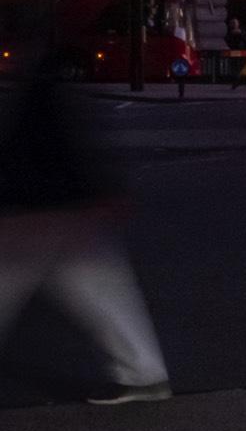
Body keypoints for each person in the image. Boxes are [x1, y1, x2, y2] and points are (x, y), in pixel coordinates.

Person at [0, 33, 173, 404]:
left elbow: (41, 129)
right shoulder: (46, 61)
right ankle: (142, 373)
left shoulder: (31, 60)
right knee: (97, 282)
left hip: (34, 198)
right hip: (59, 196)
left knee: (20, 274)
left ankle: (142, 372)